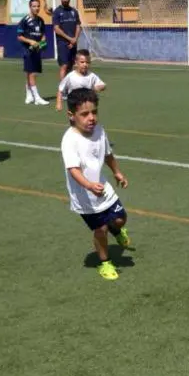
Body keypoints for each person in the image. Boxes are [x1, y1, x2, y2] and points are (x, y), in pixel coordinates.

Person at [60, 88, 131, 281]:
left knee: (120, 219)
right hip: (86, 198)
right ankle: (105, 262)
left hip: (103, 189)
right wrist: (89, 185)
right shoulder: (70, 140)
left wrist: (117, 171)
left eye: (94, 112)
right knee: (100, 230)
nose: (91, 118)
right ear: (71, 115)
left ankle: (117, 230)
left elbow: (107, 154)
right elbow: (73, 170)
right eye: (84, 114)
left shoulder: (99, 131)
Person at [16, 0, 49, 106]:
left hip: (37, 51)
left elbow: (43, 35)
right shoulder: (25, 20)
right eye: (34, 6)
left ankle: (29, 95)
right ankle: (37, 98)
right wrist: (30, 41)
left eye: (38, 6)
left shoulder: (41, 21)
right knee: (32, 73)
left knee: (30, 73)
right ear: (30, 7)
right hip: (28, 51)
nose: (36, 8)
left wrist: (42, 42)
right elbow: (19, 37)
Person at [52, 0, 83, 83]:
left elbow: (78, 26)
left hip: (73, 43)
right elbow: (56, 29)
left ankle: (69, 87)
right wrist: (70, 39)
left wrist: (75, 39)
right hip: (62, 43)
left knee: (71, 65)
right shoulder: (57, 12)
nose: (65, 0)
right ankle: (62, 90)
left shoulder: (74, 11)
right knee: (64, 65)